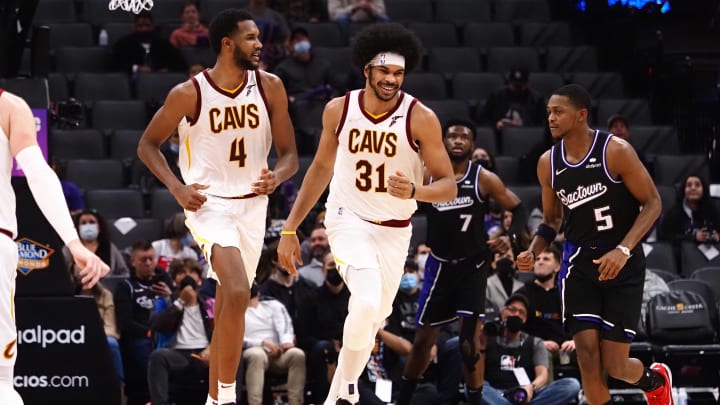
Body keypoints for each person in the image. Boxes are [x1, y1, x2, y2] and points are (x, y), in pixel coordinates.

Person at [277, 23, 457, 405]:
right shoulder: (339, 110)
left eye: (398, 73)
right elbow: (320, 170)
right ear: (367, 70)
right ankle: (348, 395)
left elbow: (448, 185)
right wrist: (291, 228)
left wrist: (415, 190)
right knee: (364, 300)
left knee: (373, 318)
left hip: (395, 230)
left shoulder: (420, 117)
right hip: (348, 219)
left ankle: (339, 393)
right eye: (385, 71)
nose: (392, 80)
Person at [137, 9, 299, 405]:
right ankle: (226, 396)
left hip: (253, 205)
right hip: (209, 205)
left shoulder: (271, 87)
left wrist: (277, 177)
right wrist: (176, 188)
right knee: (240, 291)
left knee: (230, 300)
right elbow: (147, 146)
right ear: (227, 43)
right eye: (250, 37)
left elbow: (291, 155)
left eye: (259, 37)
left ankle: (215, 397)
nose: (259, 44)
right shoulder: (189, 93)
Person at [516, 84, 672, 405]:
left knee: (615, 365)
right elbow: (551, 221)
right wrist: (533, 251)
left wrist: (623, 249)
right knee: (586, 358)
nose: (551, 118)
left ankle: (655, 381)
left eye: (558, 111)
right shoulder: (548, 163)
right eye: (548, 112)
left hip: (623, 263)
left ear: (581, 115)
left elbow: (653, 203)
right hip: (579, 265)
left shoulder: (615, 151)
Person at [398, 118, 526, 405]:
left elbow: (518, 208)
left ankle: (475, 400)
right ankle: (403, 399)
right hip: (439, 266)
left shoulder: (483, 178)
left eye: (463, 137)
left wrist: (509, 235)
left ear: (473, 144)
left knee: (469, 345)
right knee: (421, 343)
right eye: (452, 136)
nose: (457, 140)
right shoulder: (428, 175)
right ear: (443, 142)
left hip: (473, 266)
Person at [0, 89, 108, 404]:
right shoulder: (10, 105)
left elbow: (39, 174)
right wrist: (73, 242)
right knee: (2, 382)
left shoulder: (8, 105)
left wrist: (75, 242)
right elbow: (39, 174)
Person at [482, 294, 581, 405]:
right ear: (503, 312)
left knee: (571, 385)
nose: (516, 314)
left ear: (525, 318)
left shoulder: (535, 342)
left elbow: (542, 375)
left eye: (521, 312)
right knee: (475, 387)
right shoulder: (488, 339)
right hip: (495, 393)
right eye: (513, 310)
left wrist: (531, 388)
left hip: (525, 395)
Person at [115, 240, 173, 405]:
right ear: (133, 262)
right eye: (143, 260)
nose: (148, 263)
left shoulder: (164, 282)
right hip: (141, 337)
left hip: (167, 334)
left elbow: (177, 311)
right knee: (147, 350)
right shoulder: (126, 287)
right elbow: (125, 322)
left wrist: (169, 296)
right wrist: (149, 333)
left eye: (151, 259)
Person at [147, 258, 213, 405]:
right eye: (181, 273)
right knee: (158, 357)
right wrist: (180, 303)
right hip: (178, 354)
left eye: (192, 272)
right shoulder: (165, 302)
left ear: (200, 280)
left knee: (235, 356)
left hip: (206, 353)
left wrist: (212, 349)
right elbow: (156, 325)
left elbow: (223, 331)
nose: (187, 276)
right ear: (175, 280)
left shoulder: (210, 303)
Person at [243, 283, 306, 405]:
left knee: (297, 354)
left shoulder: (273, 305)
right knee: (257, 355)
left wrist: (285, 343)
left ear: (259, 293)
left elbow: (285, 326)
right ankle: (255, 403)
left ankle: (295, 401)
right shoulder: (235, 311)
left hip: (278, 352)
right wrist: (261, 343)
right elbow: (236, 338)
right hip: (253, 350)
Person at [515, 246, 575, 363]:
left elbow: (577, 323)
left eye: (546, 259)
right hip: (535, 346)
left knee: (589, 351)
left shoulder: (566, 294)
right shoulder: (523, 294)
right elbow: (516, 328)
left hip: (566, 347)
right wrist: (538, 342)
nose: (540, 262)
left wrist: (574, 341)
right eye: (537, 259)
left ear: (557, 267)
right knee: (542, 353)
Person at [112, 10, 186, 75]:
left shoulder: (163, 44)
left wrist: (167, 70)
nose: (144, 29)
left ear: (153, 26)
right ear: (135, 27)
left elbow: (180, 64)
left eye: (147, 25)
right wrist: (135, 68)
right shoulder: (124, 44)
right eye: (140, 26)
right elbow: (113, 64)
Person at [63, 209, 129, 277]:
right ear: (78, 228)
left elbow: (124, 273)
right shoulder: (70, 247)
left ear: (99, 227)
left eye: (92, 222)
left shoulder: (109, 247)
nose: (88, 225)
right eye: (83, 223)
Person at [659, 174, 720, 244]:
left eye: (697, 185)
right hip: (683, 252)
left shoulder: (712, 210)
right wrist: (693, 237)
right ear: (684, 191)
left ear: (704, 190)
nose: (693, 188)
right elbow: (667, 237)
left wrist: (717, 236)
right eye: (689, 185)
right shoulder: (673, 214)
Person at [481, 67, 546, 134]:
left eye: (520, 86)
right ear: (509, 83)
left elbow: (542, 124)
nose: (517, 89)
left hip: (528, 135)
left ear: (528, 83)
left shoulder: (537, 99)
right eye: (514, 86)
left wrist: (524, 125)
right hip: (499, 135)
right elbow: (483, 119)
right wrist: (496, 125)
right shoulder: (497, 96)